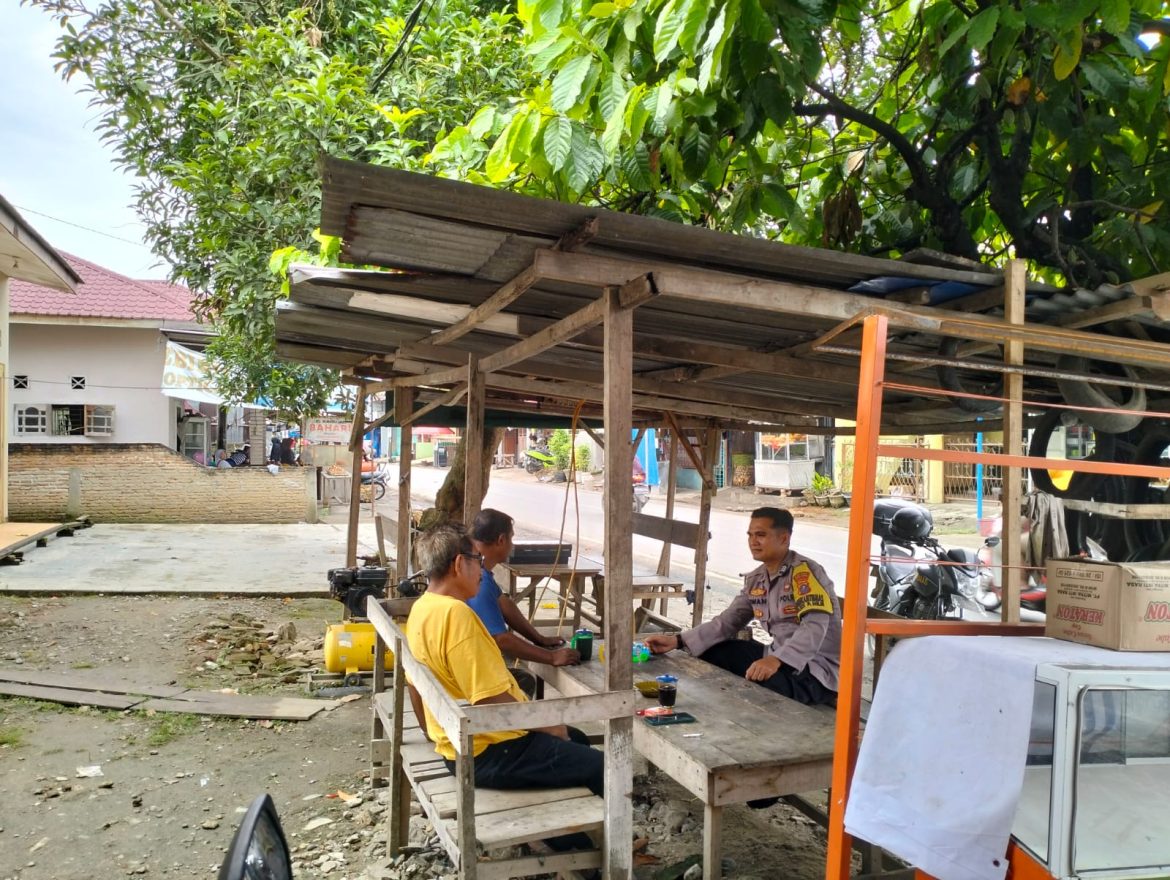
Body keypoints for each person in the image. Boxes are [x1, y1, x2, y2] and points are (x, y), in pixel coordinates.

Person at [406, 523, 603, 852]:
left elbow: (414, 687)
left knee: (578, 740)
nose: (482, 572)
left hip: (459, 744)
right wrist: (547, 725)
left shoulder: (422, 608)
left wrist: (433, 734)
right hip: (486, 751)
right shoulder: (458, 615)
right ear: (459, 564)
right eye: (477, 563)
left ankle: (567, 838)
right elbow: (489, 699)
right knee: (600, 765)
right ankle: (592, 857)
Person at [643, 506, 841, 708]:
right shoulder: (757, 578)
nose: (753, 542)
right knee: (712, 652)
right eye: (750, 535)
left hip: (815, 670)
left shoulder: (805, 573)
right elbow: (728, 621)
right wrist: (677, 640)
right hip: (775, 656)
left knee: (760, 684)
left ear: (784, 538)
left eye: (761, 535)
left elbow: (814, 627)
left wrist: (776, 661)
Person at [468, 509, 580, 668]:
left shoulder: (478, 569)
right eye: (511, 538)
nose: (512, 545)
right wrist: (551, 657)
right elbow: (500, 638)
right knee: (524, 683)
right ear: (501, 540)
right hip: (469, 667)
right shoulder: (478, 579)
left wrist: (539, 639)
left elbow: (503, 603)